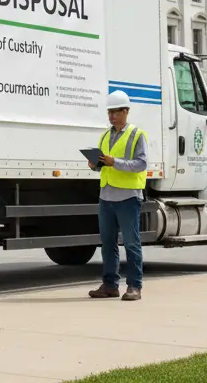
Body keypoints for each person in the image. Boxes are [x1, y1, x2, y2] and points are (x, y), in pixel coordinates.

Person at [88, 90, 148, 302]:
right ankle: (110, 285)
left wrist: (116, 162)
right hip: (106, 196)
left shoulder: (137, 135)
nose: (112, 116)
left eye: (115, 112)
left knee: (131, 243)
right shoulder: (105, 135)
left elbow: (141, 163)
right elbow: (104, 166)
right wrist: (95, 164)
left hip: (128, 197)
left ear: (126, 111)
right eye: (109, 112)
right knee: (107, 243)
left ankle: (134, 286)